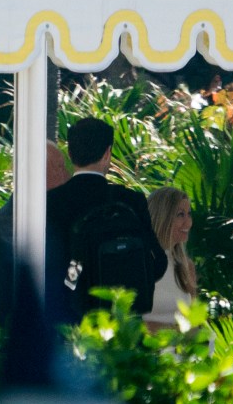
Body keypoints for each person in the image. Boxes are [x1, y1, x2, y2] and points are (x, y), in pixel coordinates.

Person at [45, 117, 167, 323]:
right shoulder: (131, 200)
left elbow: (50, 267)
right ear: (108, 153)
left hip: (76, 323)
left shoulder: (53, 203)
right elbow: (158, 263)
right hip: (123, 325)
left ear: (70, 153)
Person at [0, 141, 71, 328]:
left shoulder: (51, 217)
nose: (67, 175)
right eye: (60, 167)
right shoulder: (7, 226)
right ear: (40, 172)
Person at [142, 186, 197, 331]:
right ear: (163, 216)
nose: (188, 222)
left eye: (189, 214)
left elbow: (194, 321)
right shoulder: (138, 262)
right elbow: (129, 324)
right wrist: (175, 332)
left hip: (185, 352)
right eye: (180, 215)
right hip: (151, 352)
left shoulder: (187, 267)